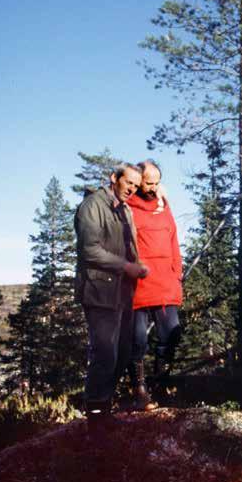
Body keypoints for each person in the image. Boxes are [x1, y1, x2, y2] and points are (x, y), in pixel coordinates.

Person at [75, 163, 148, 426]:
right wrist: (126, 267)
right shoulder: (92, 206)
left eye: (136, 186)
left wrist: (137, 270)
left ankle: (104, 406)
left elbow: (131, 248)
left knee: (123, 352)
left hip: (122, 292)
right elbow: (89, 250)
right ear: (113, 178)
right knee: (104, 352)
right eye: (128, 182)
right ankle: (95, 415)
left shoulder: (125, 210)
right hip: (98, 290)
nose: (132, 189)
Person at [126, 160, 183, 410]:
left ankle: (162, 386)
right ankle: (139, 390)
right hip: (137, 282)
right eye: (148, 182)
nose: (153, 187)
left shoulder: (164, 205)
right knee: (137, 339)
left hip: (165, 282)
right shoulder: (126, 207)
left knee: (172, 332)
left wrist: (176, 272)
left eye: (157, 182)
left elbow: (173, 238)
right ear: (138, 182)